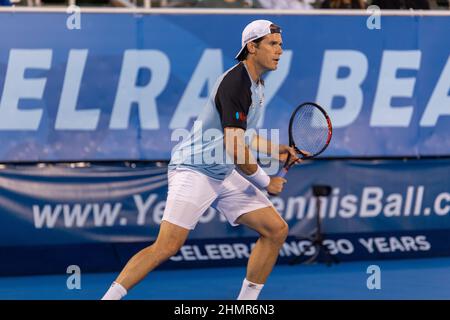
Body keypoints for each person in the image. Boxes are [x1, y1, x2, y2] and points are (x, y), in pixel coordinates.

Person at [102, 19, 300, 300]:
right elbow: (235, 146)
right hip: (194, 169)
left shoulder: (257, 85)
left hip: (222, 172)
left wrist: (276, 150)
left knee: (276, 230)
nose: (280, 50)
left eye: (281, 44)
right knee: (167, 246)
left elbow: (244, 136)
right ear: (252, 47)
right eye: (273, 44)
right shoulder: (236, 82)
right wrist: (266, 181)